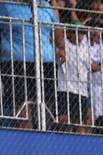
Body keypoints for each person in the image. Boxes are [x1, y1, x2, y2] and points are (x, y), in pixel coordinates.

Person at [0, 0, 59, 128]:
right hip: (16, 61)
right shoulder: (5, 4)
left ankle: (42, 133)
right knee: (22, 103)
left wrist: (63, 47)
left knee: (48, 102)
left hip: (45, 61)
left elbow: (57, 29)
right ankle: (26, 138)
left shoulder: (45, 5)